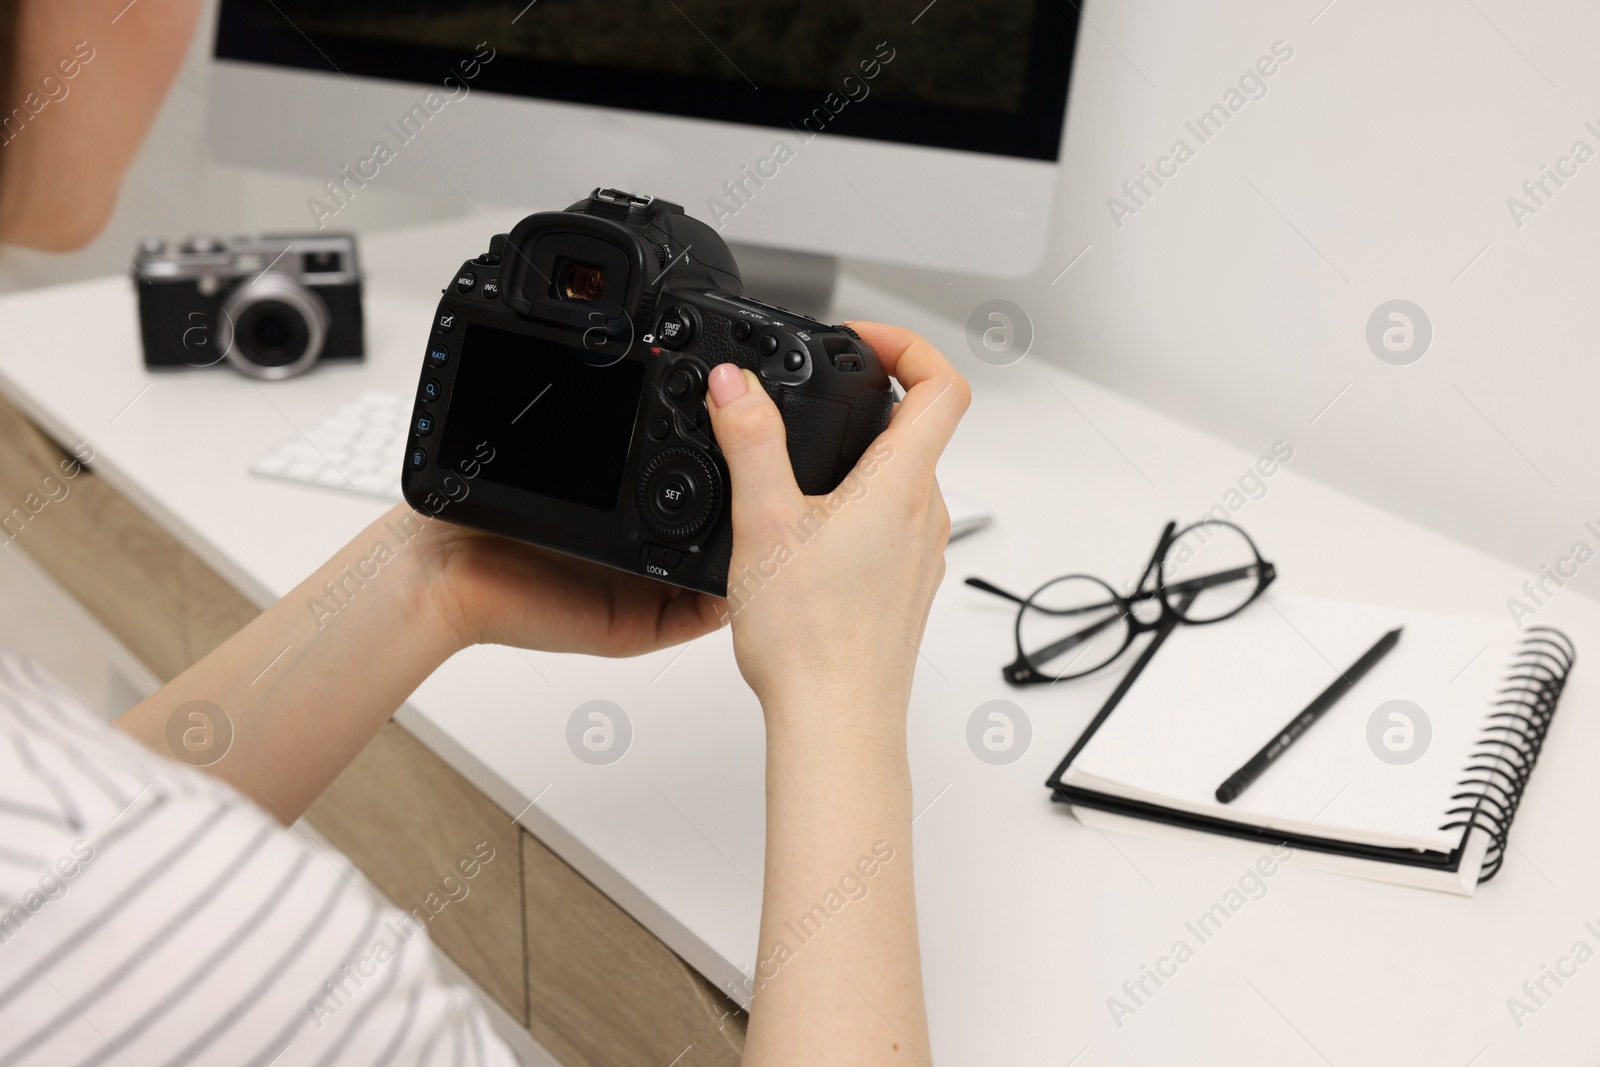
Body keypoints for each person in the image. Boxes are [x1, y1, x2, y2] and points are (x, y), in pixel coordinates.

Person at [0, 1, 970, 1063]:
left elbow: (94, 846)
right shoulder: (267, 966)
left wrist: (436, 572)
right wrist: (841, 687)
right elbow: (123, 874)